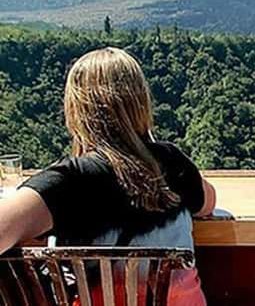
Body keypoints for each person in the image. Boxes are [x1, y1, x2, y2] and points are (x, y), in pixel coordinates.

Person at [0, 47, 216, 304]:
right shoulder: (172, 162)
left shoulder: (70, 181)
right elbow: (208, 204)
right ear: (141, 102)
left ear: (75, 108)